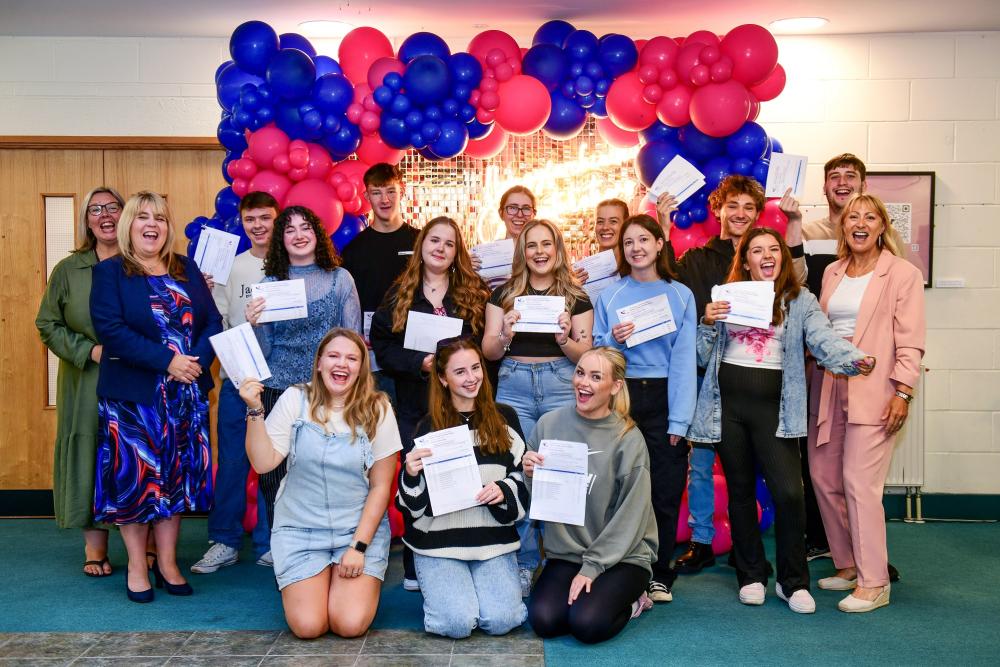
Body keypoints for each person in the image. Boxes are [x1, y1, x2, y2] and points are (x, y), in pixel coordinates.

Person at [689, 227, 875, 614]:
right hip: (728, 410)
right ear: (746, 261)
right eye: (757, 250)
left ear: (782, 257)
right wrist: (706, 321)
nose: (766, 255)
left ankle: (793, 583)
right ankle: (751, 575)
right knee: (740, 493)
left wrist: (852, 359)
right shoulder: (726, 297)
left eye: (773, 249)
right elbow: (701, 356)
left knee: (790, 493)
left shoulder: (800, 299)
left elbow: (823, 339)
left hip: (776, 411)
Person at [658, 175, 806, 575]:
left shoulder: (768, 258)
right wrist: (663, 227)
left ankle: (748, 548)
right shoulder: (698, 259)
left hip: (755, 379)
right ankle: (702, 540)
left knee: (754, 466)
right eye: (732, 206)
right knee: (702, 462)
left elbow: (798, 286)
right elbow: (668, 286)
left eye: (749, 207)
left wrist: (794, 226)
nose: (740, 214)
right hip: (705, 374)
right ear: (718, 210)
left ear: (758, 215)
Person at [90, 191, 222, 602]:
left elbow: (212, 321)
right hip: (134, 401)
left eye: (160, 218)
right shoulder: (111, 272)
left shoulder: (186, 267)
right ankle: (136, 565)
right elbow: (111, 330)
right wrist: (168, 362)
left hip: (185, 397)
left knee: (175, 482)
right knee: (137, 483)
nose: (153, 224)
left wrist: (193, 363)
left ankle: (167, 563)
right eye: (143, 217)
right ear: (129, 225)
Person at [240, 328, 401, 638]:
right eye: (334, 356)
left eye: (352, 358)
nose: (342, 364)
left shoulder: (378, 408)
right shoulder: (295, 398)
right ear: (319, 363)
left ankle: (338, 580)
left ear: (361, 368)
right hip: (300, 529)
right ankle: (319, 578)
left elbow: (381, 487)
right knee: (308, 626)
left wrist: (358, 547)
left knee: (349, 624)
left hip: (355, 530)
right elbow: (263, 463)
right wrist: (254, 409)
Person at [808, 193, 925, 613]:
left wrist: (903, 392)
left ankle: (875, 581)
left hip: (875, 390)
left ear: (881, 226)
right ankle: (848, 564)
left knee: (860, 484)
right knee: (823, 477)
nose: (860, 223)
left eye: (869, 217)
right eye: (853, 217)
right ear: (843, 226)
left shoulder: (902, 273)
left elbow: (910, 341)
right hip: (828, 385)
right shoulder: (833, 271)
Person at [371, 216, 490, 589]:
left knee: (463, 482)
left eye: (449, 243)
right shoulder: (399, 294)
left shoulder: (473, 293)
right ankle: (415, 565)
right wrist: (419, 363)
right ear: (421, 245)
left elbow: (485, 348)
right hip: (416, 406)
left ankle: (460, 556)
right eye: (434, 240)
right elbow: (382, 346)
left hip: (463, 408)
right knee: (418, 483)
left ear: (457, 253)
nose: (440, 248)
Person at [482, 218, 594, 595]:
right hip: (513, 385)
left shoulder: (576, 296)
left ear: (558, 249)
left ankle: (565, 561)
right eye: (532, 245)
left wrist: (564, 339)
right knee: (519, 471)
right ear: (522, 251)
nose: (540, 252)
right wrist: (505, 334)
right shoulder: (503, 294)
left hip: (560, 383)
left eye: (547, 244)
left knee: (560, 471)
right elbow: (489, 351)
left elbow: (585, 353)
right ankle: (525, 562)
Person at [591, 214, 697, 603]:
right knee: (617, 486)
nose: (636, 248)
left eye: (643, 240)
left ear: (659, 244)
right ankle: (618, 566)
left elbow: (684, 360)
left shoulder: (681, 295)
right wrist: (612, 339)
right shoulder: (610, 295)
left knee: (665, 489)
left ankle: (660, 573)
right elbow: (598, 353)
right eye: (628, 242)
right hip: (623, 394)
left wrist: (680, 419)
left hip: (666, 394)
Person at [523, 347, 657, 645]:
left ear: (615, 386)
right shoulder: (548, 424)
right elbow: (537, 503)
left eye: (596, 377)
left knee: (587, 624)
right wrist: (529, 475)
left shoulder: (628, 439)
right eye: (580, 373)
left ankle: (635, 600)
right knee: (544, 620)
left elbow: (631, 518)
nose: (583, 383)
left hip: (622, 556)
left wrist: (593, 567)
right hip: (568, 554)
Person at [398, 337, 530, 638]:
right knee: (456, 623)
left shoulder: (505, 418)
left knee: (503, 620)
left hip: (493, 541)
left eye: (475, 367)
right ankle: (448, 593)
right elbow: (410, 507)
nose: (472, 378)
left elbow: (522, 477)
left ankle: (472, 593)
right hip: (439, 544)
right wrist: (410, 474)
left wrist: (504, 489)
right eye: (460, 372)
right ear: (443, 379)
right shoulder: (427, 427)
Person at [245, 205, 362, 534]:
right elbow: (263, 352)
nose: (298, 235)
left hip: (328, 393)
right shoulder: (269, 284)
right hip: (278, 389)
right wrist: (254, 324)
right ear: (281, 239)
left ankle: (328, 543)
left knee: (327, 474)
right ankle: (282, 546)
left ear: (317, 234)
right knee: (274, 477)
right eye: (289, 229)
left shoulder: (340, 278)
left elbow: (353, 340)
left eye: (305, 227)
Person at [35, 186, 124, 578]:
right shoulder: (68, 270)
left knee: (135, 453)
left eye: (113, 207)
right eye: (95, 209)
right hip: (86, 376)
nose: (105, 215)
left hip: (137, 375)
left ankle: (148, 545)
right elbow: (47, 323)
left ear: (126, 214)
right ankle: (95, 547)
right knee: (90, 451)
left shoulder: (144, 263)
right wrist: (88, 351)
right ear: (86, 220)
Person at [191, 192, 277, 575]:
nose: (257, 225)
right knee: (231, 463)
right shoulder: (233, 268)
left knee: (275, 466)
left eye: (265, 218)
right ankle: (224, 541)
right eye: (250, 219)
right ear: (242, 223)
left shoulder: (293, 268)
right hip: (237, 382)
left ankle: (270, 543)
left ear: (277, 219)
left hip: (280, 384)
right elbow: (219, 324)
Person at [799, 153, 868, 561]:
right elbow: (798, 284)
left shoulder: (874, 235)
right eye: (834, 177)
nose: (842, 183)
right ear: (824, 187)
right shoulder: (808, 232)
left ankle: (863, 549)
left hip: (862, 364)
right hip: (817, 363)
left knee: (859, 463)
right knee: (817, 456)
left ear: (863, 185)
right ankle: (820, 539)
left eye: (850, 176)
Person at [341, 163, 420, 398]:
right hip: (374, 357)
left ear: (402, 191)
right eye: (377, 193)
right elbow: (349, 304)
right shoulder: (354, 250)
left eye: (391, 191)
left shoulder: (421, 242)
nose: (385, 200)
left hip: (416, 351)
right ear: (367, 197)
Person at [472, 185, 538, 289]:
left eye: (526, 208)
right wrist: (466, 271)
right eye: (512, 208)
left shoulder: (543, 254)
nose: (519, 214)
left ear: (534, 214)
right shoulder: (485, 256)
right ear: (501, 213)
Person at [573, 198, 629, 285]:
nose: (605, 227)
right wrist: (571, 288)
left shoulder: (636, 270)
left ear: (626, 225)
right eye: (600, 222)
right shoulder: (580, 272)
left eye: (613, 221)